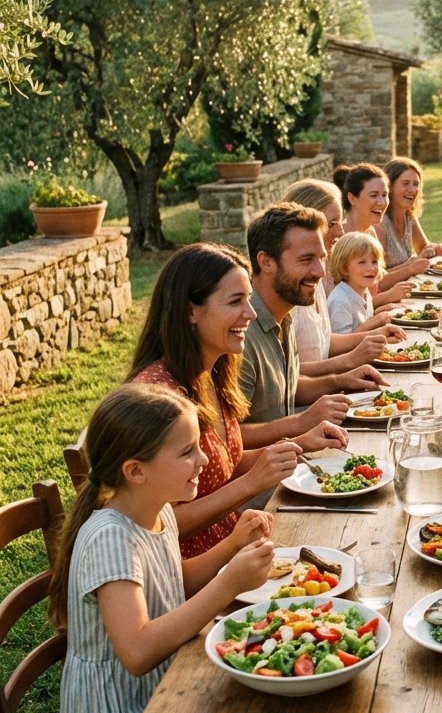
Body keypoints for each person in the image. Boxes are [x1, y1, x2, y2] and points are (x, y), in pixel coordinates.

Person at [47, 384, 324, 713]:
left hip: (163, 695)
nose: (204, 460)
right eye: (187, 453)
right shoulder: (109, 539)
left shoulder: (155, 509)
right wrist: (228, 584)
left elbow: (172, 580)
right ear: (135, 471)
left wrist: (231, 545)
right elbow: (137, 651)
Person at [126, 242, 346, 557]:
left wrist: (298, 443)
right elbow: (159, 523)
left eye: (248, 299)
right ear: (190, 310)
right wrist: (250, 484)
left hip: (237, 547)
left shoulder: (210, 373)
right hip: (197, 576)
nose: (251, 313)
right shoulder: (158, 399)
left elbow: (222, 464)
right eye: (235, 301)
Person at [240, 202, 384, 450]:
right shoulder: (241, 332)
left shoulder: (285, 313)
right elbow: (226, 440)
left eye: (321, 259)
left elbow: (287, 386)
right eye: (307, 259)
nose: (319, 272)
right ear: (265, 262)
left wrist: (342, 380)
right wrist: (301, 422)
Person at [283, 178, 406, 372]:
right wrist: (349, 362)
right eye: (331, 223)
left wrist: (376, 334)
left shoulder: (317, 277)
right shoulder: (288, 288)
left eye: (339, 221)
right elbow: (290, 374)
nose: (340, 230)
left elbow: (324, 340)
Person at [336, 162, 415, 307]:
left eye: (385, 195)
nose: (382, 202)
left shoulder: (370, 231)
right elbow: (338, 305)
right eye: (374, 195)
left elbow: (379, 278)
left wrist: (410, 264)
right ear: (352, 198)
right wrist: (388, 297)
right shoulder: (339, 238)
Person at [377, 156, 442, 276]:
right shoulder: (379, 224)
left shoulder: (408, 217)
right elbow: (377, 276)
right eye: (405, 184)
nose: (412, 190)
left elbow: (424, 247)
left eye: (416, 184)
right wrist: (414, 263)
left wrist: (436, 248)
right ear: (390, 187)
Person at [326, 231, 400, 333]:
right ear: (344, 268)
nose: (371, 268)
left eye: (374, 262)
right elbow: (343, 342)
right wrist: (376, 321)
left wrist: (383, 311)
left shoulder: (363, 292)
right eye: (362, 262)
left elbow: (363, 324)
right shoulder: (340, 301)